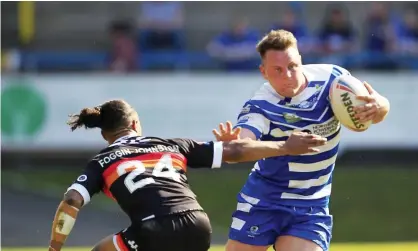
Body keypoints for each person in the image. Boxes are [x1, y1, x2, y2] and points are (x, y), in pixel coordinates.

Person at [48, 99, 328, 251]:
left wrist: (54, 247)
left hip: (152, 229)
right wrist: (284, 146)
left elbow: (72, 201)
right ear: (135, 123)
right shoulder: (173, 144)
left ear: (105, 134)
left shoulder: (102, 161)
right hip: (197, 224)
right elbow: (236, 150)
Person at [212, 30, 390, 251]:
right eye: (277, 70)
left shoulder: (333, 79)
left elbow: (378, 108)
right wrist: (235, 146)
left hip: (311, 203)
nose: (287, 75)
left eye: (292, 66)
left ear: (301, 61)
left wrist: (380, 106)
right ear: (263, 72)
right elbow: (241, 145)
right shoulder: (261, 105)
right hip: (265, 199)